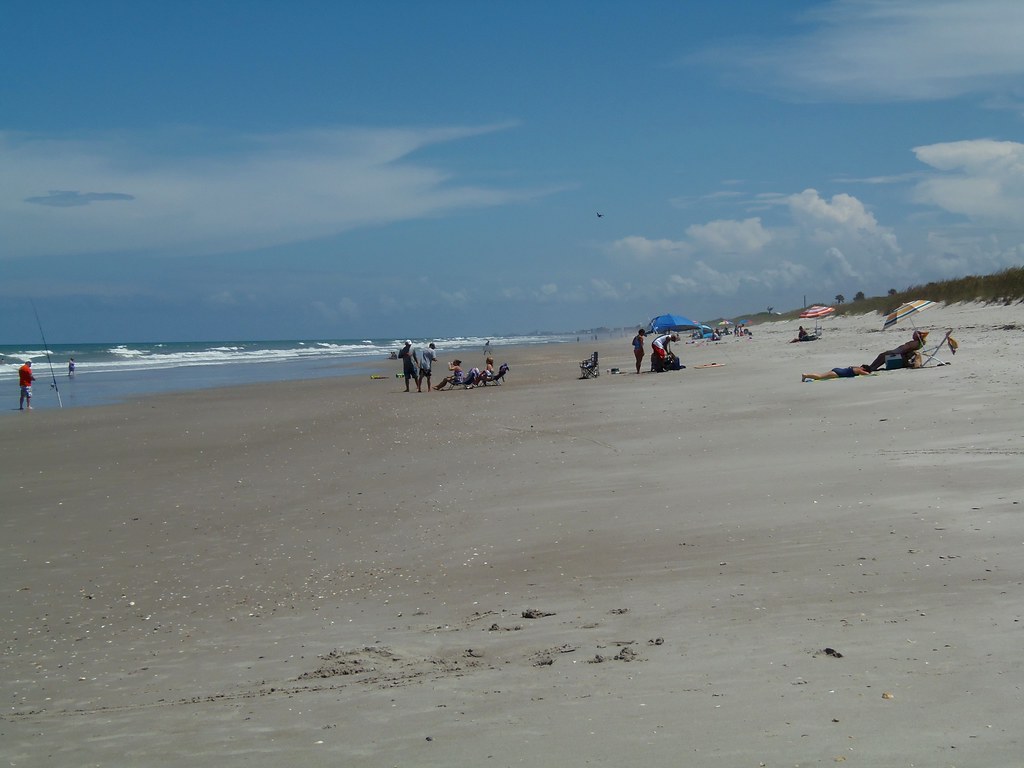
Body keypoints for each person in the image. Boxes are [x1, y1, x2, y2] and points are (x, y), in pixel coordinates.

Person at [801, 364, 872, 382]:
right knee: (820, 376)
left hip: (838, 370)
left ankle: (806, 375)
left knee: (821, 375)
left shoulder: (856, 368)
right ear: (864, 369)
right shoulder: (859, 370)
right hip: (838, 373)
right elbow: (867, 374)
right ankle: (806, 375)